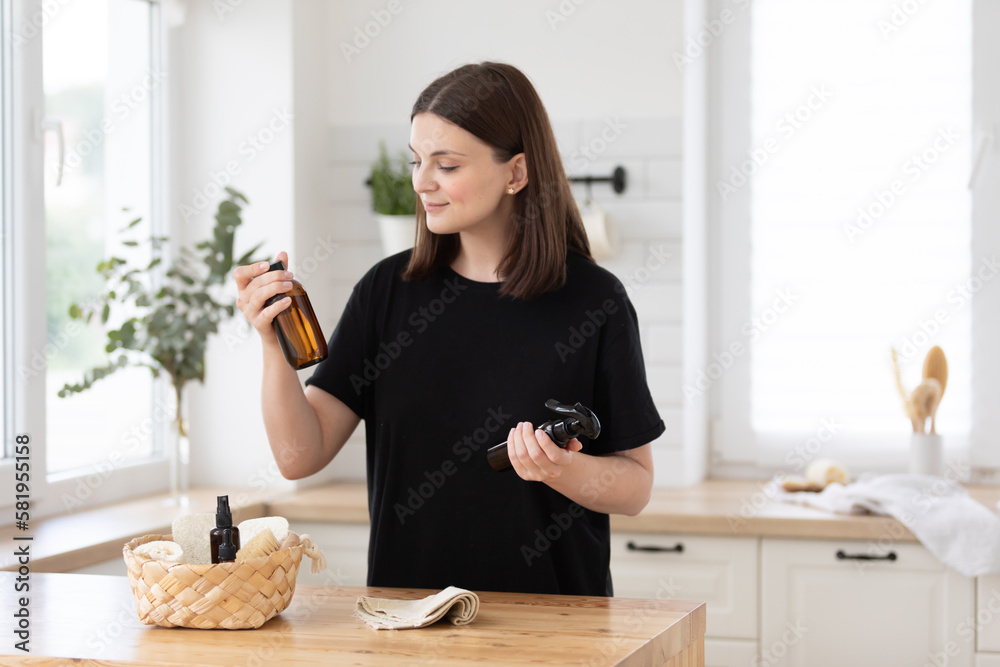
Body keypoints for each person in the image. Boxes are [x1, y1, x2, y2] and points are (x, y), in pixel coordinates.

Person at [235, 62, 664, 597]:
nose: (421, 182)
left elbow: (635, 487)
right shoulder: (385, 292)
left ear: (516, 173)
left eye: (448, 165)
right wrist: (272, 345)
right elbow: (300, 456)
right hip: (407, 622)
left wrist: (558, 470)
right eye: (418, 161)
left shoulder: (595, 301)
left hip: (555, 626)